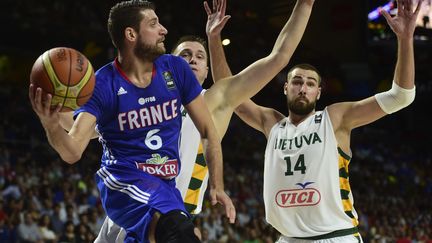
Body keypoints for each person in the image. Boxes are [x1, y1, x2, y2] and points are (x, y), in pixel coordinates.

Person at [93, 0, 316, 241]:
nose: (192, 60)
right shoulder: (135, 96)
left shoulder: (214, 100)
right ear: (169, 62)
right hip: (125, 213)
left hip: (169, 222)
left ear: (207, 72)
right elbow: (82, 130)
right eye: (185, 55)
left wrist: (304, 5)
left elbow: (278, 58)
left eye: (200, 57)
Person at [209, 0, 422, 242]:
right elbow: (226, 95)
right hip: (288, 238)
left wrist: (405, 41)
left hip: (335, 236)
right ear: (286, 87)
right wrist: (214, 38)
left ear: (318, 92)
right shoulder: (272, 124)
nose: (303, 88)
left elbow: (401, 96)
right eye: (297, 82)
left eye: (310, 84)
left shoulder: (335, 118)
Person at [29, 1, 235, 242]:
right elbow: (73, 151)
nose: (164, 29)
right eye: (153, 23)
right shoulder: (104, 84)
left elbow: (209, 132)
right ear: (131, 34)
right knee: (178, 230)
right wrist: (51, 123)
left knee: (179, 230)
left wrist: (217, 186)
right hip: (123, 180)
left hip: (165, 186)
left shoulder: (175, 69)